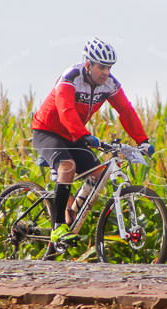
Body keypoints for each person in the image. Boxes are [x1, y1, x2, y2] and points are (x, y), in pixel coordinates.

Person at [31, 38, 154, 243]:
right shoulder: (70, 77)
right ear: (88, 65)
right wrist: (83, 135)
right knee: (68, 165)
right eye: (101, 67)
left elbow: (126, 111)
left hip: (74, 134)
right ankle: (58, 226)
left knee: (98, 175)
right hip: (48, 130)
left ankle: (69, 208)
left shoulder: (109, 84)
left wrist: (143, 140)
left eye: (109, 67)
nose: (106, 72)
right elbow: (65, 110)